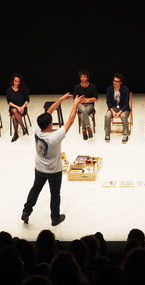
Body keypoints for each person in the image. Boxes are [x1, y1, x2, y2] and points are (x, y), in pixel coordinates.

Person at [21, 93, 85, 226]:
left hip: (39, 168)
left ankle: (26, 211)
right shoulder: (54, 137)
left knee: (35, 189)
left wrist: (61, 99)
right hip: (54, 172)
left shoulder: (37, 129)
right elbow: (70, 121)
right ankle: (55, 218)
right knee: (55, 194)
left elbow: (49, 111)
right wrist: (75, 104)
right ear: (50, 125)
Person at [104, 73, 131, 143]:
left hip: (123, 108)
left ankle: (125, 134)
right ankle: (107, 134)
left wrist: (119, 112)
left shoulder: (125, 90)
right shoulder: (109, 89)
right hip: (113, 108)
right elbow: (108, 102)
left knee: (123, 116)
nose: (115, 83)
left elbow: (126, 104)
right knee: (107, 115)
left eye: (117, 81)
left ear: (120, 82)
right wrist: (112, 111)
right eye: (114, 81)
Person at [73, 69, 98, 140]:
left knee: (84, 112)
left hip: (90, 105)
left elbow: (96, 99)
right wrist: (80, 100)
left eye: (84, 77)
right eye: (81, 77)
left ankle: (84, 130)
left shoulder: (92, 86)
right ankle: (89, 128)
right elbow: (74, 99)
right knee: (83, 110)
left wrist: (87, 100)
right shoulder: (77, 86)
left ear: (87, 77)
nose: (83, 78)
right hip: (81, 104)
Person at [7, 73, 30, 142]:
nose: (17, 83)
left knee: (14, 117)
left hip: (22, 108)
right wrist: (18, 107)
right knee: (14, 111)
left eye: (18, 81)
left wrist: (22, 107)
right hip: (13, 108)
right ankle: (23, 127)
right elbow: (9, 102)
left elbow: (27, 100)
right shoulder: (9, 90)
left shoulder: (23, 89)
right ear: (13, 81)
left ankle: (15, 133)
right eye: (16, 81)